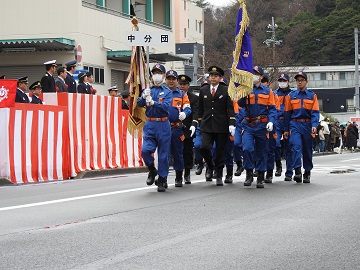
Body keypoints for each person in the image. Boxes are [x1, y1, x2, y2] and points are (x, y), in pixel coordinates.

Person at [238, 66, 277, 188]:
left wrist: (271, 121)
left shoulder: (267, 92)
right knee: (247, 149)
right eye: (252, 73)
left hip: (261, 125)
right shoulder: (246, 89)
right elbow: (240, 103)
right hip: (248, 125)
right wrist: (244, 92)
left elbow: (272, 109)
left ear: (261, 76)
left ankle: (260, 176)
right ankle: (249, 173)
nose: (254, 76)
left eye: (256, 74)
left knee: (261, 151)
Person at [136, 63, 172, 192]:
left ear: (163, 75)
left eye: (159, 72)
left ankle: (162, 179)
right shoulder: (148, 89)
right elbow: (139, 103)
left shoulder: (167, 92)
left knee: (163, 155)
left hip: (163, 124)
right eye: (154, 72)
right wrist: (144, 97)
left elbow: (166, 106)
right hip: (150, 123)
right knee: (145, 150)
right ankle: (152, 169)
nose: (157, 75)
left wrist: (153, 102)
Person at [198, 66, 235, 186]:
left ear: (220, 78)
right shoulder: (203, 90)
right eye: (211, 76)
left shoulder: (226, 90)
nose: (213, 78)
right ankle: (210, 165)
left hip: (221, 125)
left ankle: (219, 175)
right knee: (204, 147)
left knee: (220, 152)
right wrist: (199, 122)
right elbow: (200, 109)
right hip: (207, 125)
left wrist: (231, 123)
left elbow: (230, 109)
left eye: (215, 76)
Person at [284, 71, 320, 183]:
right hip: (295, 124)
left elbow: (315, 112)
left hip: (307, 124)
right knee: (296, 146)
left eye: (302, 80)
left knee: (307, 150)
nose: (299, 82)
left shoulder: (312, 96)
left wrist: (314, 125)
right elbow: (287, 113)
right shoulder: (291, 96)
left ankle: (307, 172)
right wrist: (286, 129)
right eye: (298, 80)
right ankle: (298, 171)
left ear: (306, 81)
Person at [165, 70, 192, 187]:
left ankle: (179, 176)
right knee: (164, 154)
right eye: (169, 79)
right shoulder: (162, 92)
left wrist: (185, 113)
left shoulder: (182, 94)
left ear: (176, 80)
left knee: (178, 153)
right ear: (165, 80)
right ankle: (163, 177)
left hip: (176, 128)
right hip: (164, 127)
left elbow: (187, 107)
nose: (171, 81)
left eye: (173, 79)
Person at [177, 74, 198, 184]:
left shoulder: (194, 98)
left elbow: (195, 112)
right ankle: (179, 175)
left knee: (187, 151)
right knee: (177, 151)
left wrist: (194, 124)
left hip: (188, 128)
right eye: (180, 84)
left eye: (184, 84)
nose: (182, 86)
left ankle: (187, 172)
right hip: (176, 127)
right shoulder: (174, 95)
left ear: (188, 86)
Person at [273, 73, 293, 181]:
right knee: (275, 144)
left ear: (288, 82)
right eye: (280, 80)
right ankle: (278, 164)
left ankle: (289, 172)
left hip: (289, 122)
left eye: (284, 80)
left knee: (289, 147)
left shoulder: (293, 94)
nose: (282, 83)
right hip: (277, 121)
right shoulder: (274, 94)